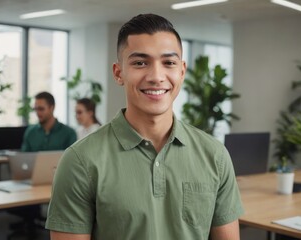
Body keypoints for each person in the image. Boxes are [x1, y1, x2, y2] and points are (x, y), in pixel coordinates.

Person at [45, 13, 244, 240]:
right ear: (119, 73)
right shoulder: (80, 161)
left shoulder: (215, 155)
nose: (156, 77)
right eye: (140, 63)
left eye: (169, 63)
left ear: (182, 71)